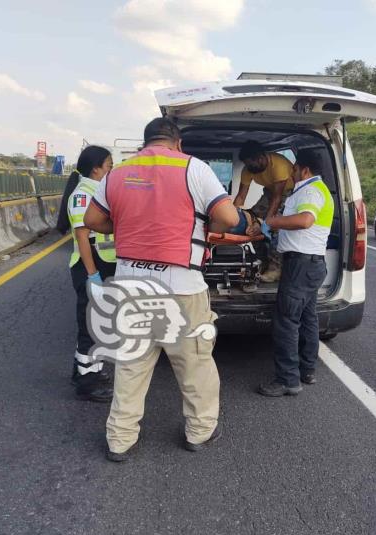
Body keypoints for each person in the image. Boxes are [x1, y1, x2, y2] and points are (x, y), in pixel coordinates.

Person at [84, 117, 239, 462]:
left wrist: (124, 223)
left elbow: (92, 221)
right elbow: (228, 218)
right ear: (178, 143)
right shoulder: (194, 169)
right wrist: (204, 224)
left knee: (130, 366)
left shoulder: (118, 172)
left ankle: (120, 440)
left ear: (145, 142)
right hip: (182, 287)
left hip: (131, 286)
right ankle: (199, 431)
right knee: (194, 364)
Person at [257, 149, 334, 397]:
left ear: (304, 170)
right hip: (311, 265)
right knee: (308, 318)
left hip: (301, 266)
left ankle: (288, 380)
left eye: (294, 168)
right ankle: (307, 369)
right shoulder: (316, 189)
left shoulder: (311, 191)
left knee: (286, 322)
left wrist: (273, 222)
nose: (291, 172)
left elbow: (304, 221)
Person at [56, 146, 116, 402]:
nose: (111, 170)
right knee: (91, 327)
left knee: (96, 324)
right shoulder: (83, 195)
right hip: (90, 265)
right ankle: (87, 384)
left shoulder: (96, 190)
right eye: (109, 166)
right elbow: (82, 237)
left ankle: (84, 371)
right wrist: (93, 276)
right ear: (96, 168)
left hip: (100, 264)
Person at [233, 141, 295, 281]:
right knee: (250, 220)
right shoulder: (248, 170)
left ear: (260, 158)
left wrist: (265, 222)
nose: (249, 167)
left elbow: (277, 198)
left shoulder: (278, 165)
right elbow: (241, 196)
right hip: (269, 193)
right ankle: (262, 261)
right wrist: (233, 215)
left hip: (289, 194)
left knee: (276, 226)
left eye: (250, 164)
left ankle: (275, 268)